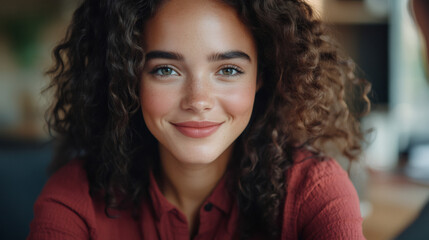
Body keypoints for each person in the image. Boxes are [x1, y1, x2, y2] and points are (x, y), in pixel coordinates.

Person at [28, 0, 371, 239]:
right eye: (166, 70)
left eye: (228, 70)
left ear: (261, 77)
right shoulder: (75, 198)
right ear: (127, 77)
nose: (198, 101)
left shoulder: (315, 192)